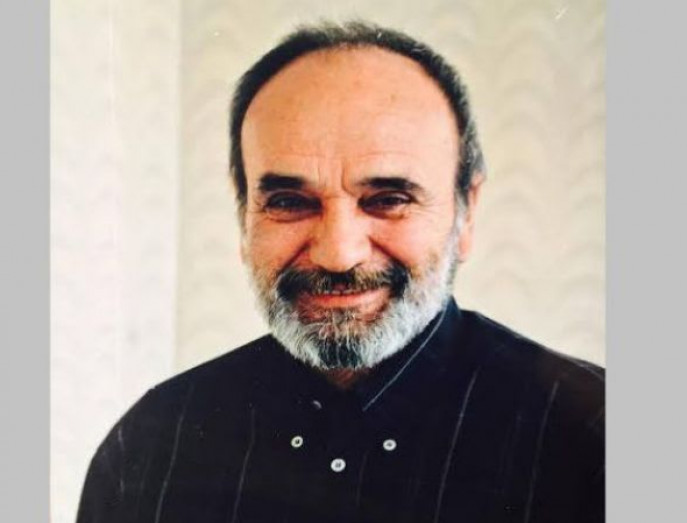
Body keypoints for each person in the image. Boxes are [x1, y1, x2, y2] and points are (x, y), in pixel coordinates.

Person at [77, 21, 604, 523]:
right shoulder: (149, 445)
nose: (338, 255)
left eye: (389, 199)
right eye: (289, 202)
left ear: (466, 212)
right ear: (243, 216)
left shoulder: (596, 440)